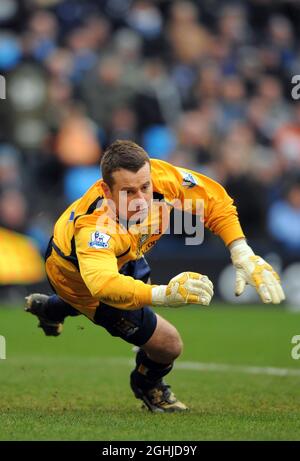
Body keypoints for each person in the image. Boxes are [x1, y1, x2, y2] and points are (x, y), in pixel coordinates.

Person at [25, 140, 285, 413]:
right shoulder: (94, 229)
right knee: (168, 345)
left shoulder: (160, 177)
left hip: (124, 254)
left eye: (145, 188)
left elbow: (214, 200)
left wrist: (240, 250)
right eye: (128, 192)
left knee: (139, 292)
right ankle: (147, 384)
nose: (141, 201)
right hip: (75, 276)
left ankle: (50, 309)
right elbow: (102, 284)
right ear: (106, 190)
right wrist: (164, 295)